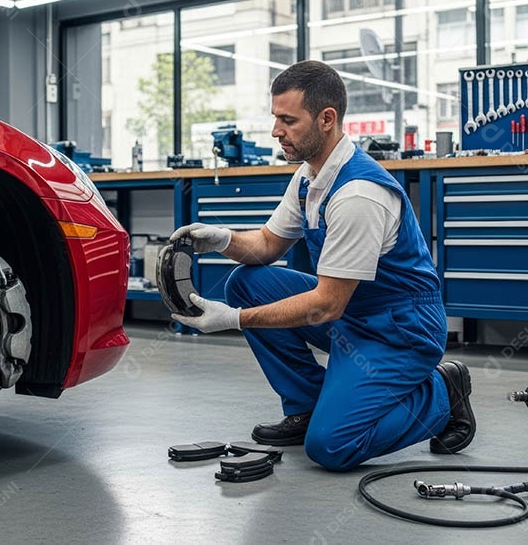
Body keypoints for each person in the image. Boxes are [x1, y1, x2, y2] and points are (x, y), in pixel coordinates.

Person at [170, 60, 475, 471]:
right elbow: (266, 245)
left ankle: (443, 392)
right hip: (353, 314)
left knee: (333, 447)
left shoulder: (358, 195)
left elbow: (325, 306)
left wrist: (236, 320)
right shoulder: (309, 177)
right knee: (247, 282)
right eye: (276, 118)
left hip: (398, 331)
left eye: (288, 120)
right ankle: (308, 407)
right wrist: (222, 238)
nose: (276, 130)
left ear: (327, 119)